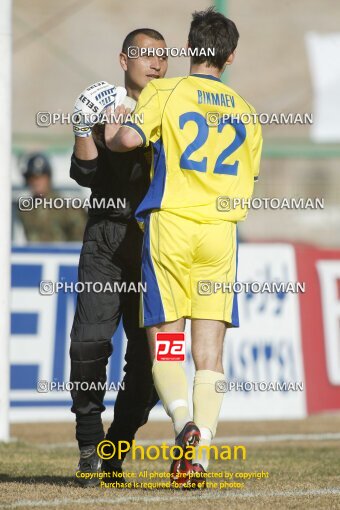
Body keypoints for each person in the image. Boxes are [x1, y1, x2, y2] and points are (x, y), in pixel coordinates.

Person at [106, 8, 263, 487]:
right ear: (230, 55)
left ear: (189, 49)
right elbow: (250, 175)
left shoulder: (164, 91)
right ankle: (201, 456)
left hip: (172, 227)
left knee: (168, 343)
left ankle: (182, 424)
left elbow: (129, 141)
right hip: (219, 234)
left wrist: (114, 129)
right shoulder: (246, 110)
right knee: (210, 352)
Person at [69, 29, 168, 486]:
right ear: (123, 59)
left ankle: (116, 447)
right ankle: (89, 445)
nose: (155, 64)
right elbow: (86, 172)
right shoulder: (105, 105)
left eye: (162, 57)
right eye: (145, 55)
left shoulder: (171, 106)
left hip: (155, 244)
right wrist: (82, 126)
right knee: (88, 347)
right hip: (105, 241)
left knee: (149, 367)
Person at [18, 153, 86, 241]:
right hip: (34, 254)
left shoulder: (67, 207)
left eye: (41, 178)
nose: (36, 182)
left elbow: (80, 240)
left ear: (48, 178)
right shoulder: (25, 210)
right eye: (33, 178)